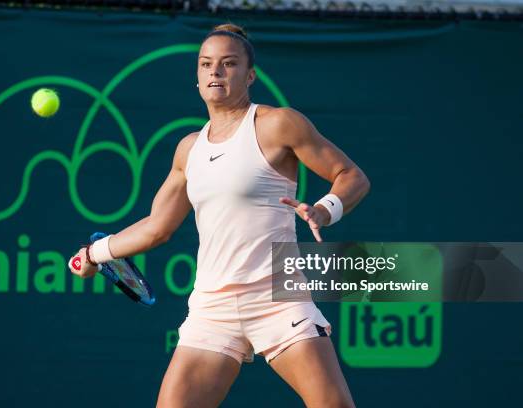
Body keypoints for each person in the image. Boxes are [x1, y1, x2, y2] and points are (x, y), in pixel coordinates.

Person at [69, 23, 369, 408]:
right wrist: (94, 254)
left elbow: (352, 176)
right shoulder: (188, 150)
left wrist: (325, 210)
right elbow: (157, 227)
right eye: (206, 64)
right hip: (213, 308)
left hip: (277, 297)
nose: (215, 71)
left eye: (228, 64)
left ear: (250, 75)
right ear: (196, 78)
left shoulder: (279, 124)